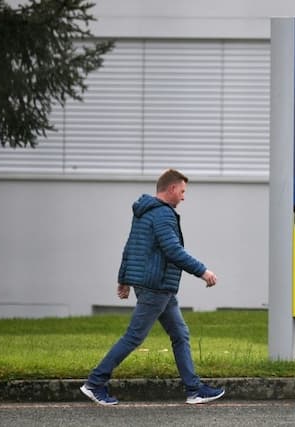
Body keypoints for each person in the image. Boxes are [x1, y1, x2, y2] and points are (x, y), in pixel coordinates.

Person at [80, 168, 225, 405]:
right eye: (182, 191)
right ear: (171, 189)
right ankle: (95, 383)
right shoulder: (163, 214)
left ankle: (194, 389)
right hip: (157, 286)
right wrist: (202, 271)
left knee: (180, 334)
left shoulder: (144, 211)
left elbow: (131, 246)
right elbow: (173, 250)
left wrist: (124, 279)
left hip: (157, 286)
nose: (184, 197)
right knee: (134, 337)